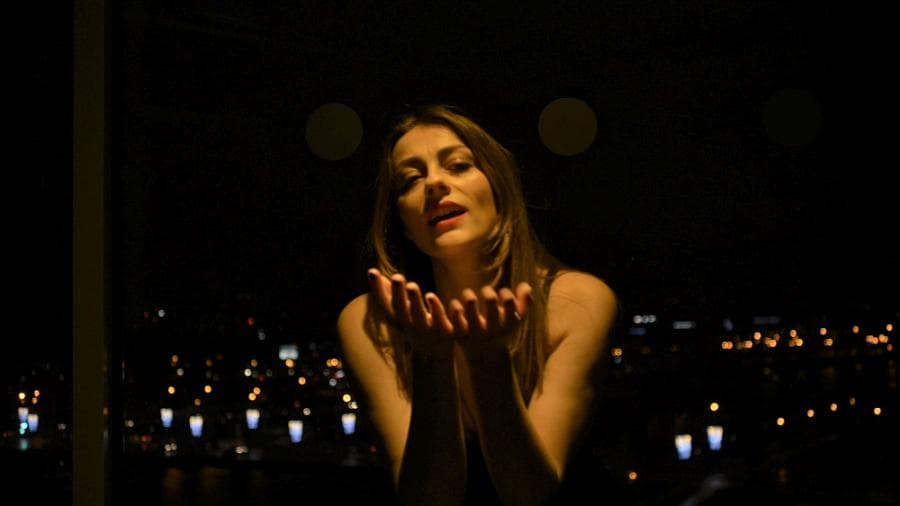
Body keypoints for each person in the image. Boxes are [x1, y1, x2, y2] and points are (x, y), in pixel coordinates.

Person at [337, 104, 618, 505]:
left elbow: (530, 494)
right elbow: (429, 499)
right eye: (411, 179)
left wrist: (489, 361)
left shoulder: (577, 300)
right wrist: (431, 358)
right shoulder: (369, 321)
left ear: (500, 188)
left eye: (458, 165)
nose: (434, 183)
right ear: (403, 224)